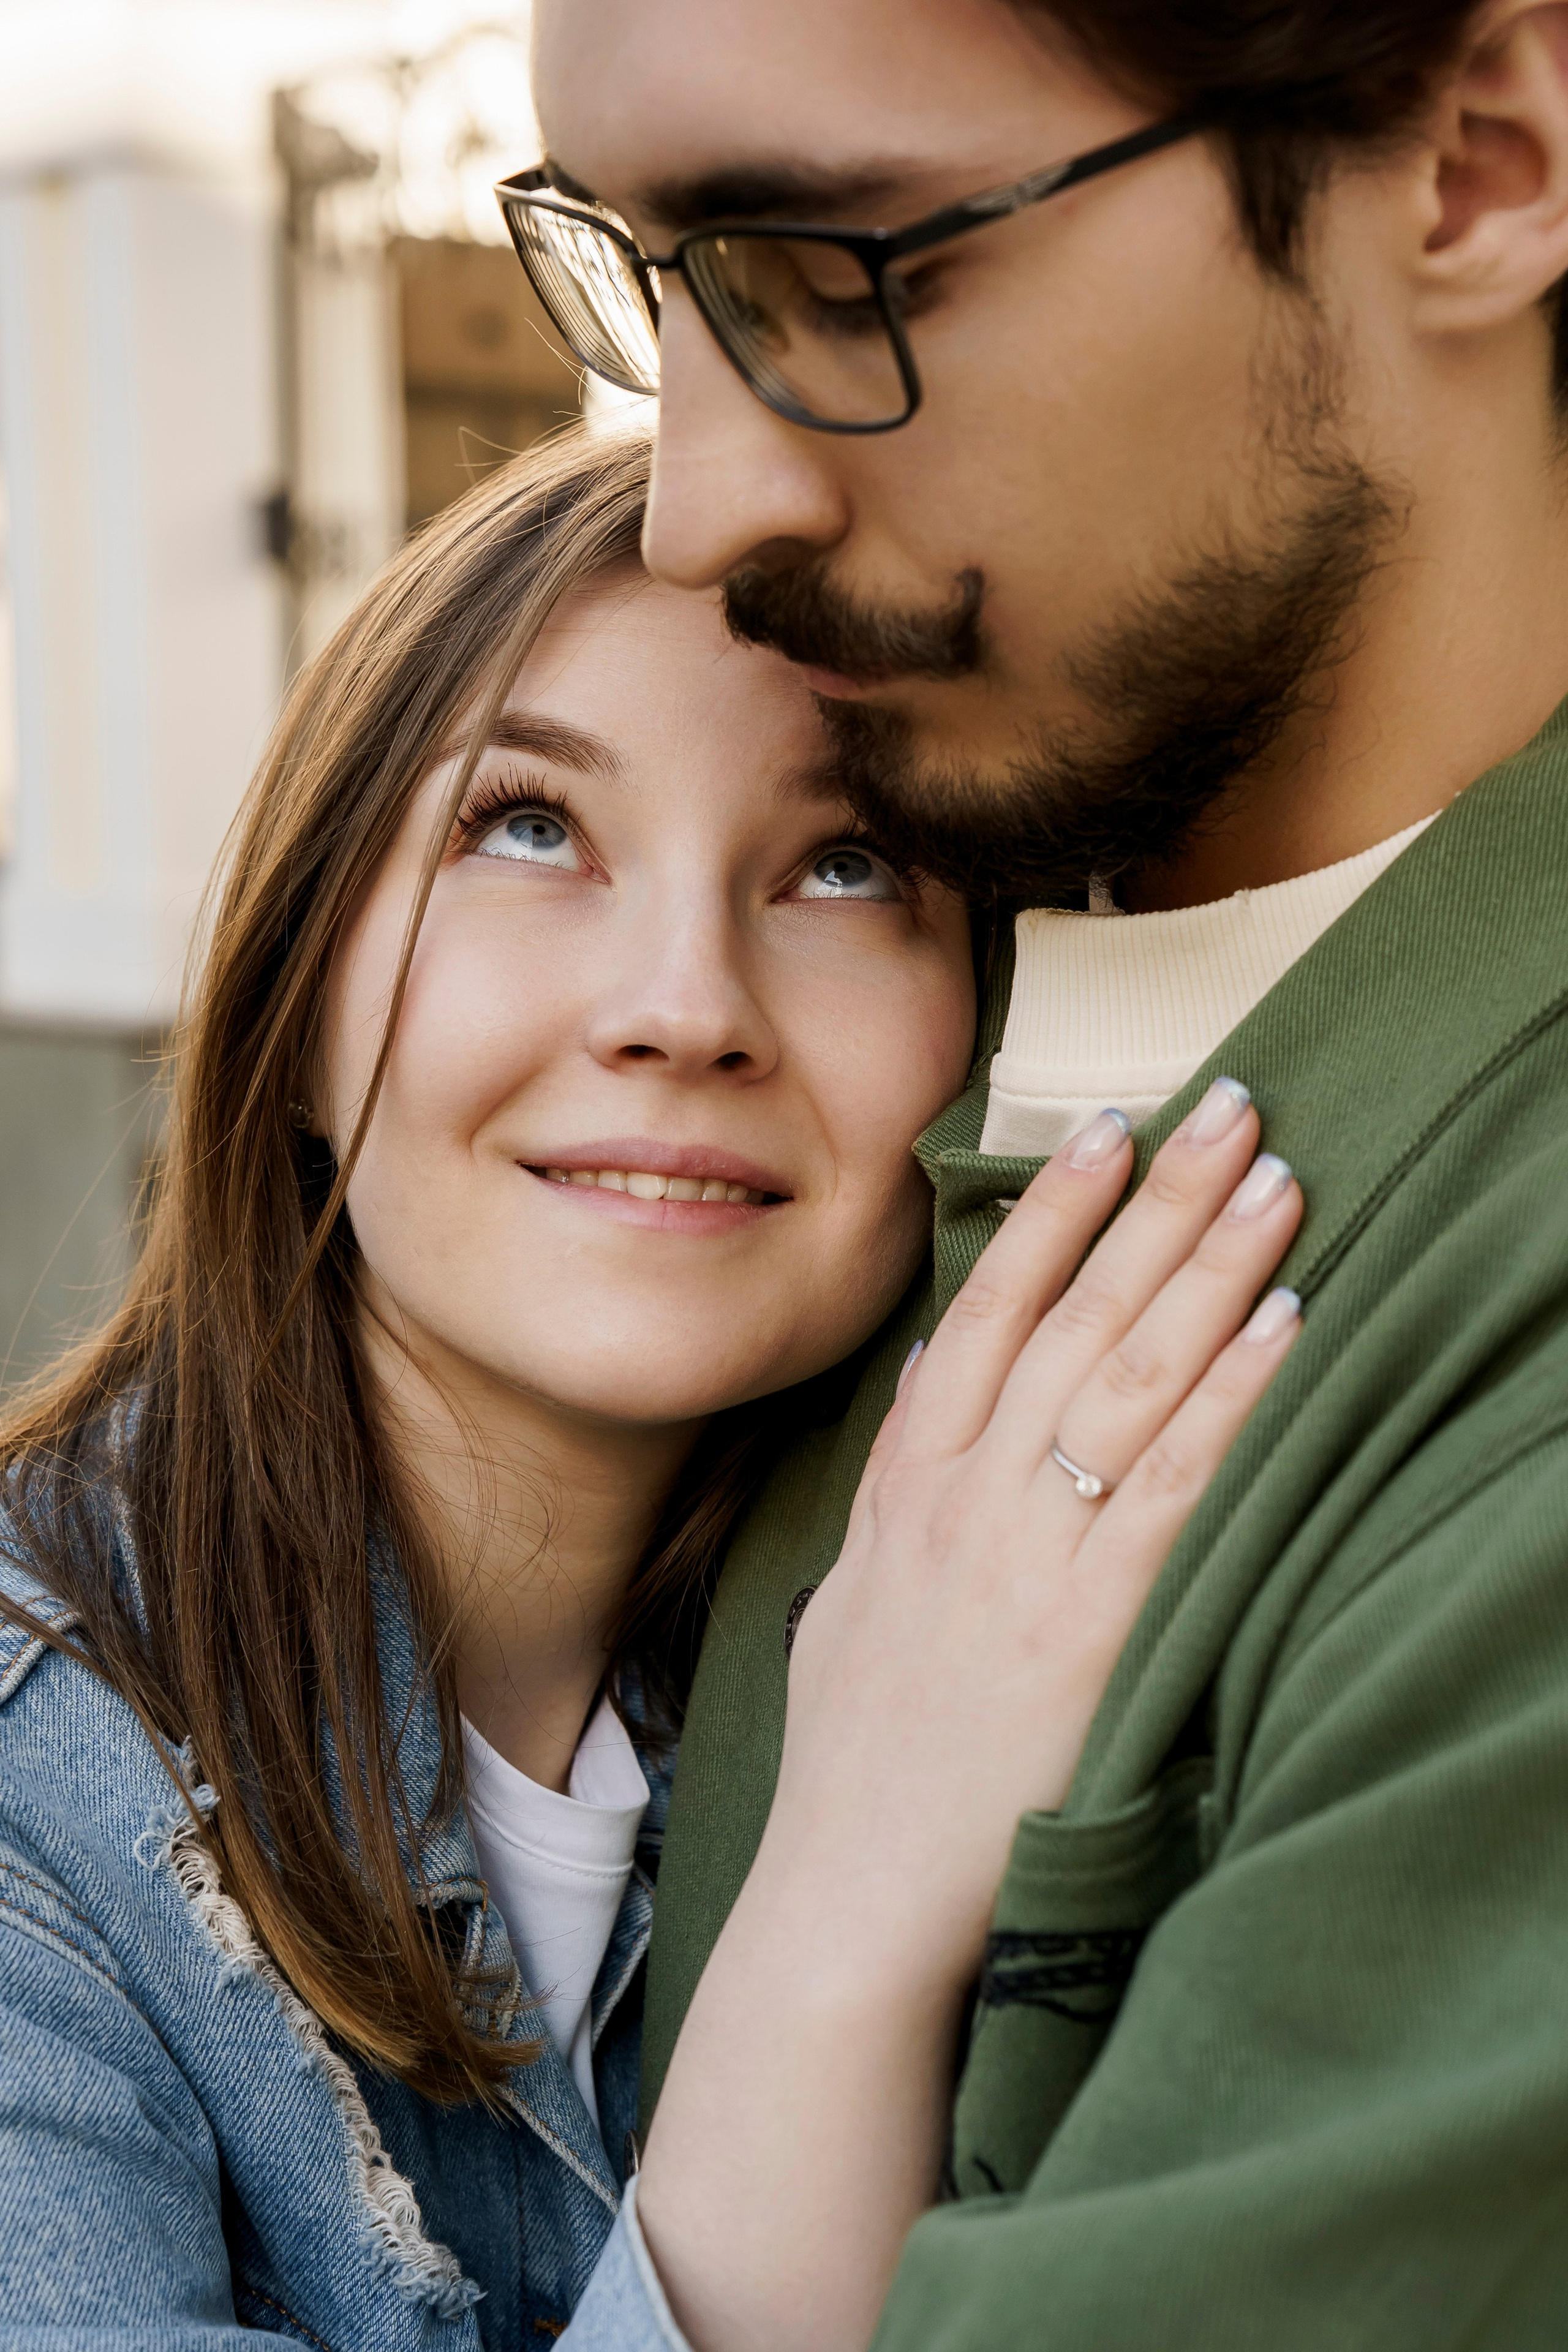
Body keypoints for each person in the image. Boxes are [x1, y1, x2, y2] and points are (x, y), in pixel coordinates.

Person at [0, 429, 1300, 2345]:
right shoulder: (41, 1808)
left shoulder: (996, 1605)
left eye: (848, 866)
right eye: (527, 825)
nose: (686, 1005)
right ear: (298, 987)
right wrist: (848, 1917)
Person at [505, 2, 1568, 2345]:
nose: (698, 503)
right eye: (644, 269)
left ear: (1479, 164)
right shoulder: (745, 1113)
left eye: (835, 261)